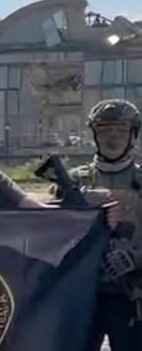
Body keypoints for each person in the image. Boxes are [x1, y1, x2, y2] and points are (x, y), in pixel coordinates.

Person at [51, 99, 142, 351]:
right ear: (94, 135)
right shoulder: (72, 182)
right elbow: (49, 234)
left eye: (121, 130)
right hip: (82, 293)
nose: (112, 136)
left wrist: (135, 258)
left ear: (133, 135)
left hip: (130, 295)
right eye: (104, 129)